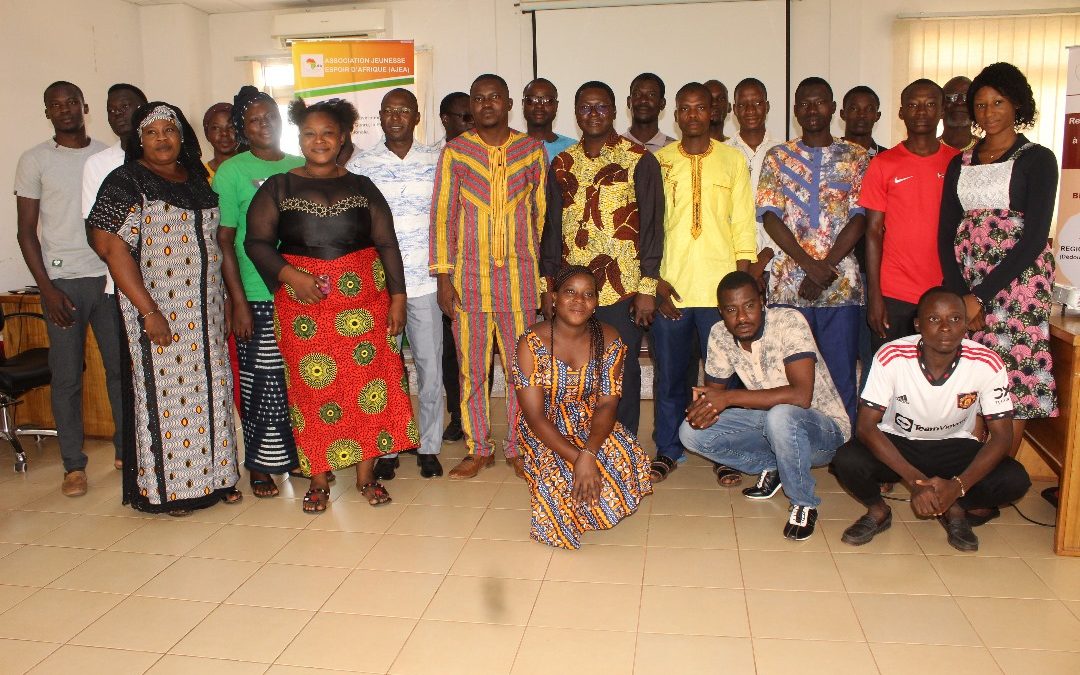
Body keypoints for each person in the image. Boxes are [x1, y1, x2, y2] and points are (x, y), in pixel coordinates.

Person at [246, 98, 416, 512]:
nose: (319, 140)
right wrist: (291, 277)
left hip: (365, 300)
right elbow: (257, 243)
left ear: (342, 138)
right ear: (299, 138)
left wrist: (398, 298)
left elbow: (386, 243)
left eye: (327, 133)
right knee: (312, 389)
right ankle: (318, 479)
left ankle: (366, 476)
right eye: (309, 133)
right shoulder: (278, 187)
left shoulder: (362, 187)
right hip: (304, 304)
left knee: (368, 386)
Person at [87, 101, 242, 515]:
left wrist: (227, 298)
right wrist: (149, 311)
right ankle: (172, 490)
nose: (161, 139)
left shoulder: (197, 179)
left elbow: (217, 244)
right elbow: (110, 247)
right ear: (139, 139)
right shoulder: (127, 181)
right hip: (159, 310)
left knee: (214, 390)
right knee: (170, 397)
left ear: (181, 135)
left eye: (169, 130)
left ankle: (220, 478)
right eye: (151, 132)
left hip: (207, 310)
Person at [833, 288, 1030, 551]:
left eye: (955, 319)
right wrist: (915, 482)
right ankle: (878, 510)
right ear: (918, 324)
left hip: (954, 446)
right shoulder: (892, 355)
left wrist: (958, 487)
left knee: (1015, 479)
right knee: (846, 459)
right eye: (934, 319)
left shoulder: (987, 362)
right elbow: (866, 427)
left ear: (966, 324)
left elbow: (1002, 437)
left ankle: (954, 505)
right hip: (900, 442)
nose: (946, 327)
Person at [430, 73, 548, 480]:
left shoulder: (531, 151)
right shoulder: (456, 152)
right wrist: (443, 277)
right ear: (472, 105)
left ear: (509, 103)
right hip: (469, 282)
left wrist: (543, 280)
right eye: (479, 99)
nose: (486, 104)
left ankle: (518, 447)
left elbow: (543, 218)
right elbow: (443, 217)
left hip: (520, 279)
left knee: (522, 369)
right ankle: (479, 448)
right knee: (472, 371)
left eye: (494, 97)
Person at [939, 62, 1059, 456]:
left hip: (1017, 286)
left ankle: (999, 473)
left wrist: (981, 296)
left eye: (998, 102)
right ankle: (968, 471)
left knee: (1011, 378)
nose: (988, 112)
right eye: (981, 104)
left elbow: (1035, 238)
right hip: (968, 284)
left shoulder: (1038, 159)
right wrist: (962, 297)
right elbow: (945, 232)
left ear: (1017, 104)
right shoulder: (960, 162)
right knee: (972, 376)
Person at [679, 271, 849, 540]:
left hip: (824, 430)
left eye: (749, 306)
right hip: (771, 423)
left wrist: (728, 398)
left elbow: (801, 396)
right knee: (690, 433)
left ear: (762, 301)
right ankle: (776, 466)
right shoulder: (719, 334)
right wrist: (702, 409)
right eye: (731, 310)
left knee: (781, 415)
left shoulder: (788, 322)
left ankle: (803, 502)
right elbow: (715, 395)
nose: (741, 317)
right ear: (721, 312)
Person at [14, 81, 123, 497]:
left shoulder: (107, 156)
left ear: (85, 107)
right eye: (55, 105)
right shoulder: (35, 160)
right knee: (66, 377)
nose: (64, 110)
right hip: (61, 286)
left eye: (71, 102)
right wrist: (46, 289)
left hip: (109, 280)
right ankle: (73, 466)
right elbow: (26, 232)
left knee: (120, 371)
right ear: (47, 112)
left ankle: (125, 451)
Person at [541, 80, 664, 436]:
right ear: (575, 113)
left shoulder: (639, 159)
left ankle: (622, 446)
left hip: (621, 288)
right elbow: (551, 230)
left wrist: (647, 288)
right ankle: (579, 441)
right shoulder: (562, 163)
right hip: (572, 291)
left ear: (613, 111)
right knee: (576, 370)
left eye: (601, 107)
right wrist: (547, 286)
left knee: (621, 369)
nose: (593, 114)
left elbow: (652, 228)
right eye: (585, 107)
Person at [648, 82, 756, 483]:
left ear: (714, 113)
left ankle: (725, 452)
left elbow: (743, 225)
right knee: (670, 377)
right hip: (672, 291)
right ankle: (668, 449)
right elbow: (648, 228)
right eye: (685, 108)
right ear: (675, 114)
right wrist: (655, 283)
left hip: (719, 295)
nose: (693, 115)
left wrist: (740, 290)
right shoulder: (659, 162)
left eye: (700, 108)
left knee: (723, 380)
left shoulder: (732, 160)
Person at [514, 265, 652, 549]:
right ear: (554, 297)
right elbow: (535, 417)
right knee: (560, 476)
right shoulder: (531, 342)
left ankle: (592, 510)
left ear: (596, 302)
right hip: (544, 426)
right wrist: (579, 459)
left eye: (588, 294)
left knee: (627, 456)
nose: (579, 300)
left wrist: (589, 451)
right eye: (570, 292)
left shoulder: (609, 339)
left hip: (590, 418)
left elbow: (607, 403)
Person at [758, 76, 869, 427]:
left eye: (819, 102)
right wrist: (809, 265)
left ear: (833, 108)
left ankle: (843, 444)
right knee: (787, 378)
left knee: (839, 374)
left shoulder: (856, 156)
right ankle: (790, 443)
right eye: (804, 103)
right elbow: (770, 217)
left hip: (841, 287)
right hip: (788, 287)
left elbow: (860, 218)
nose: (812, 109)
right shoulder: (778, 157)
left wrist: (825, 269)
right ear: (795, 110)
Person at [213, 86, 304, 497]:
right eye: (254, 119)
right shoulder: (232, 171)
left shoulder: (300, 164)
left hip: (301, 292)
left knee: (299, 380)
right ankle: (262, 465)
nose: (264, 124)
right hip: (255, 293)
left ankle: (298, 455)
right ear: (242, 128)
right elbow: (224, 240)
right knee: (261, 382)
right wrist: (238, 302)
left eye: (271, 117)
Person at [349, 88, 445, 479]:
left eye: (403, 110)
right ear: (380, 116)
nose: (395, 117)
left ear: (416, 117)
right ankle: (387, 446)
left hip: (426, 283)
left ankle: (429, 446)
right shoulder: (361, 165)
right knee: (385, 371)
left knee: (430, 368)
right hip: (379, 287)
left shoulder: (437, 159)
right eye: (388, 111)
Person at [862, 79, 959, 353]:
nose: (921, 112)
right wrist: (875, 296)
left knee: (941, 374)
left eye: (930, 104)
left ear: (942, 110)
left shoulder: (958, 163)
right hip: (894, 292)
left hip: (945, 292)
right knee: (891, 372)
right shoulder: (883, 164)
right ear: (902, 112)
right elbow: (873, 232)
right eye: (913, 105)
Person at [435, 90, 473, 443]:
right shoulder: (433, 157)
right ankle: (457, 415)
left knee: (479, 351)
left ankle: (477, 414)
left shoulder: (482, 153)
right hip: (444, 271)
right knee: (451, 351)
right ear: (445, 119)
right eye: (463, 117)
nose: (469, 123)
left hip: (479, 270)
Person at [726, 78, 783, 286]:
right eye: (743, 104)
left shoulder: (784, 152)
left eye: (757, 103)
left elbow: (791, 213)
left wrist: (765, 255)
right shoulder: (722, 153)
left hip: (777, 261)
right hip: (731, 263)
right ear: (734, 110)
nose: (750, 110)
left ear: (767, 106)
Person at [82, 83, 149, 221]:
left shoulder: (166, 157)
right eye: (111, 110)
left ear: (145, 110)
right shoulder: (97, 163)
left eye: (125, 106)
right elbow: (91, 224)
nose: (117, 113)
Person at [522, 78, 576, 161]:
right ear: (523, 104)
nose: (539, 106)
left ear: (556, 105)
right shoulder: (510, 149)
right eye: (531, 100)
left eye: (547, 100)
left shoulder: (573, 149)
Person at [623, 72, 675, 153]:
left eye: (651, 95)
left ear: (662, 103)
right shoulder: (613, 149)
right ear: (629, 102)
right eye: (637, 94)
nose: (643, 100)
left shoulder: (675, 149)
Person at [840, 86, 885, 157]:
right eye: (854, 108)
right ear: (842, 114)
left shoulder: (887, 157)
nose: (861, 115)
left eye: (869, 109)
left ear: (877, 116)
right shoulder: (827, 154)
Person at [202, 102, 238, 180]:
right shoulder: (201, 175)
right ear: (207, 134)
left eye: (231, 127)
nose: (224, 133)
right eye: (216, 128)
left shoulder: (253, 167)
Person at [940, 76, 977, 152]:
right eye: (951, 98)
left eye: (966, 98)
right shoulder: (927, 150)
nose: (959, 102)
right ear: (941, 106)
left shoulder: (988, 150)